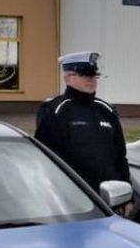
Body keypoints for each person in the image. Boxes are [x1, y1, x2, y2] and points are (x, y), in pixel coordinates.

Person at [35, 51, 132, 214]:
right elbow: (46, 159)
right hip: (72, 200)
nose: (91, 80)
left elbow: (120, 156)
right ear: (68, 77)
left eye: (94, 75)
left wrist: (128, 197)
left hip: (109, 199)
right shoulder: (55, 110)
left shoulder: (106, 110)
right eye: (85, 75)